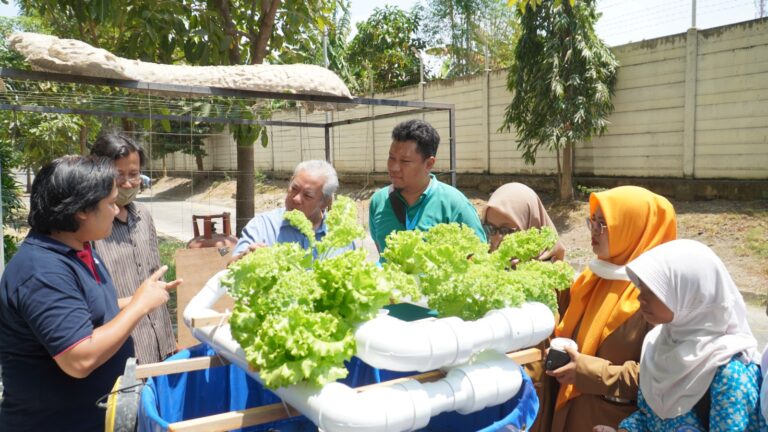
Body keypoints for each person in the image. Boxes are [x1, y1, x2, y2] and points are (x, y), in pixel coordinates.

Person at [0, 155, 181, 432]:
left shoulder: (79, 249)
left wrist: (137, 298)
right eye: (110, 202)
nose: (116, 210)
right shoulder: (42, 271)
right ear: (82, 210)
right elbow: (79, 358)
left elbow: (85, 311)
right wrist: (139, 307)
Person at [534, 185, 677, 432]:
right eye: (592, 221)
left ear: (634, 229)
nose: (594, 231)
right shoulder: (595, 276)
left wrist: (589, 373)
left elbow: (665, 376)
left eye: (604, 223)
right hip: (570, 417)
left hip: (611, 422)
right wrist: (548, 269)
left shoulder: (657, 296)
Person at [595, 239, 766, 432]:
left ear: (692, 293)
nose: (640, 297)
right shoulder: (658, 344)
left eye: (654, 290)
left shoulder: (728, 371)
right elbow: (650, 416)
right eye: (641, 288)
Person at [91, 133, 176, 364]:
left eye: (134, 174)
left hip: (159, 346)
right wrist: (137, 303)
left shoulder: (143, 216)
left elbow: (154, 275)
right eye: (119, 175)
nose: (128, 183)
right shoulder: (91, 228)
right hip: (120, 351)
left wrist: (169, 342)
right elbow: (92, 304)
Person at [368, 119, 486, 252]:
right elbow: (381, 251)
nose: (394, 167)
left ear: (429, 164)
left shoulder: (455, 205)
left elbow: (479, 256)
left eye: (405, 161)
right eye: (391, 158)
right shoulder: (378, 201)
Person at [232, 159, 352, 259]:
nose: (296, 198)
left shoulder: (340, 235)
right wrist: (245, 257)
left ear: (325, 202)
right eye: (294, 188)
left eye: (307, 195)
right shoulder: (263, 225)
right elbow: (230, 268)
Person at [483, 182, 565, 259]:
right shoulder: (483, 259)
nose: (497, 239)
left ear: (531, 223)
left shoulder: (550, 264)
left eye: (506, 231)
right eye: (490, 228)